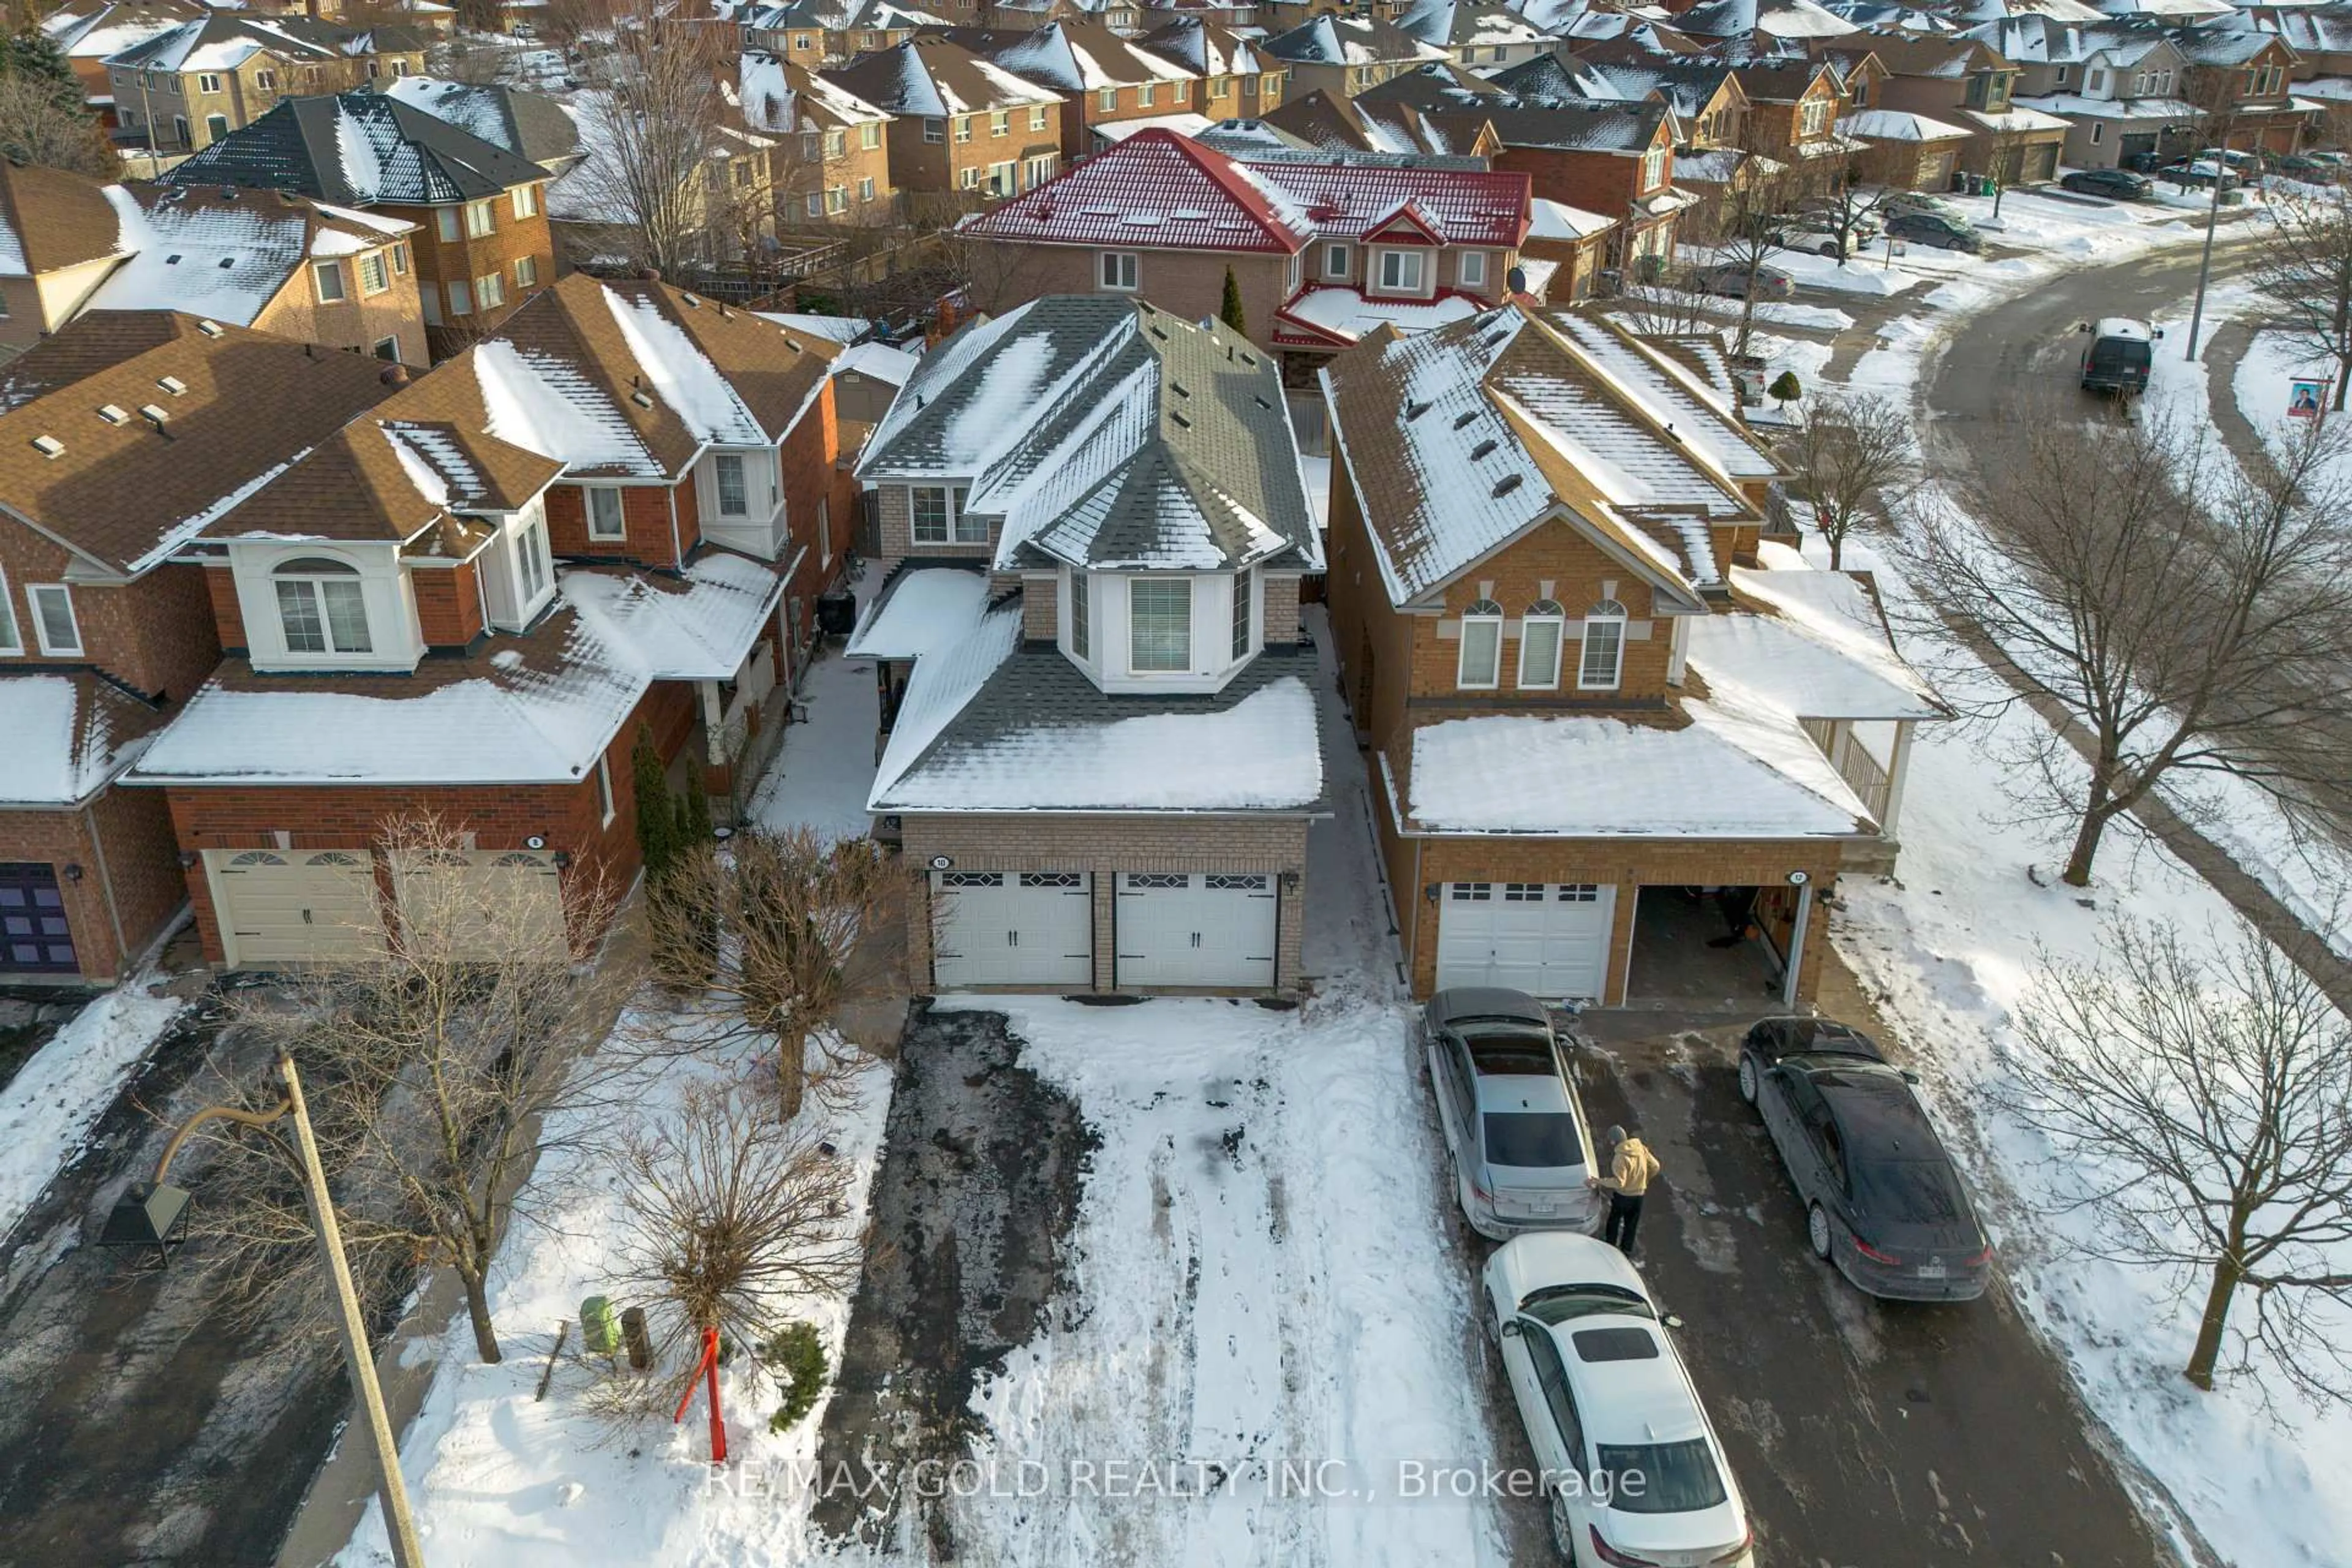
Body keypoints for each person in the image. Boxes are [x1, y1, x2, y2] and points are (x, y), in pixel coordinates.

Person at [1593, 1125, 1661, 1258]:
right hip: (1639, 1196)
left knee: (1614, 1221)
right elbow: (1655, 1166)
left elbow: (1620, 1182)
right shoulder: (1640, 1149)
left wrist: (1598, 1181)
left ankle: (1610, 1247)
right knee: (1631, 1225)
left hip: (1623, 1196)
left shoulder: (1620, 1158)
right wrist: (1644, 1180)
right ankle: (1626, 1251)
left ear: (1614, 1141)